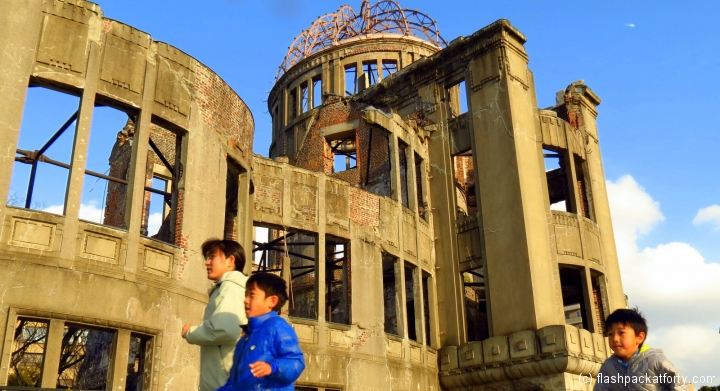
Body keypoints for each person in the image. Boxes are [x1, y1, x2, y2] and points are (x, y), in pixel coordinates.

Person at [217, 272, 305, 391]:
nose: (246, 300)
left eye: (252, 295)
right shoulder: (243, 340)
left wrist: (272, 367)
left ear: (272, 301)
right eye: (246, 294)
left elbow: (296, 362)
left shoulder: (277, 327)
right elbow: (234, 383)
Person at [182, 239, 248, 391]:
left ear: (230, 261)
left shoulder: (231, 288)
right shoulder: (230, 288)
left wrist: (190, 332)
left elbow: (226, 330)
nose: (207, 262)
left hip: (224, 382)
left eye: (212, 257)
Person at [594, 308, 687, 391]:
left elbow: (679, 383)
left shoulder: (654, 361)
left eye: (621, 333)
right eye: (610, 334)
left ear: (640, 337)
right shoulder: (609, 366)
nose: (615, 339)